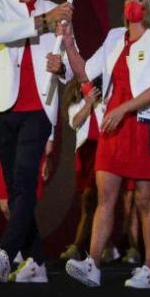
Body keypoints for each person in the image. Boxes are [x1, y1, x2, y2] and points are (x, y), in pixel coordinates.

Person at [61, 0, 150, 289]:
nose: (131, 3)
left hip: (142, 124)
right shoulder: (114, 37)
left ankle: (149, 269)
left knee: (145, 201)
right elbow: (85, 71)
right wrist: (70, 43)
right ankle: (93, 264)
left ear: (149, 5)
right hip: (113, 127)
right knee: (105, 198)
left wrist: (123, 108)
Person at [0, 0, 70, 284]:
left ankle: (5, 253)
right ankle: (37, 263)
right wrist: (45, 21)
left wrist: (62, 69)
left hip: (38, 110)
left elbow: (72, 67)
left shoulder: (55, 10)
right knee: (17, 187)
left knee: (26, 179)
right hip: (1, 106)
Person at [59, 78, 105, 261]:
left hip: (101, 151)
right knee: (89, 202)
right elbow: (76, 122)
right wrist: (88, 103)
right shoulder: (76, 105)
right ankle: (102, 246)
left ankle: (78, 246)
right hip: (84, 153)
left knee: (90, 197)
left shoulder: (104, 103)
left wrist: (98, 103)